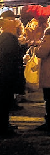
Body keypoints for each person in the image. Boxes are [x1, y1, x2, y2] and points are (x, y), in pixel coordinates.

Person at [0, 10, 24, 138]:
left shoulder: (5, 39)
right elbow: (11, 58)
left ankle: (5, 126)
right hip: (7, 75)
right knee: (4, 103)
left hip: (5, 74)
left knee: (4, 102)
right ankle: (3, 129)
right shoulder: (9, 40)